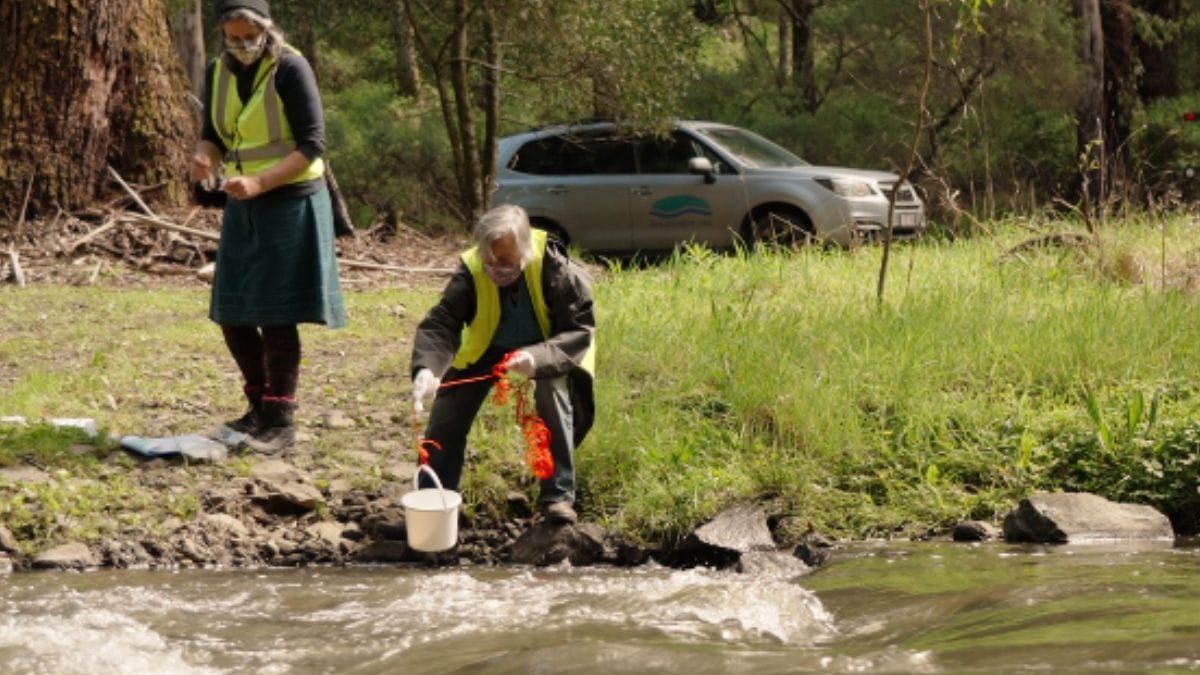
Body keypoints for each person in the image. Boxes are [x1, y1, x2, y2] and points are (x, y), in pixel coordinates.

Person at [189, 0, 345, 454]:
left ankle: (281, 418)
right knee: (232, 311)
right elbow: (214, 134)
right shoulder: (219, 70)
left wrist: (260, 180)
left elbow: (313, 144)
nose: (243, 45)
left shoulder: (292, 68)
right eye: (234, 38)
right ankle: (257, 405)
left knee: (277, 315)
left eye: (250, 36)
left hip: (290, 199)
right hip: (244, 202)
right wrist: (205, 156)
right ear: (223, 35)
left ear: (267, 29)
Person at [411, 205, 595, 525]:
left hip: (548, 349)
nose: (497, 269)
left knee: (551, 397)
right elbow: (442, 323)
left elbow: (578, 330)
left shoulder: (558, 269)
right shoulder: (471, 269)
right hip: (489, 348)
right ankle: (433, 499)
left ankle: (557, 497)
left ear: (525, 251)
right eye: (490, 262)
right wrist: (428, 369)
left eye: (507, 262)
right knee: (447, 408)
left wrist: (536, 358)